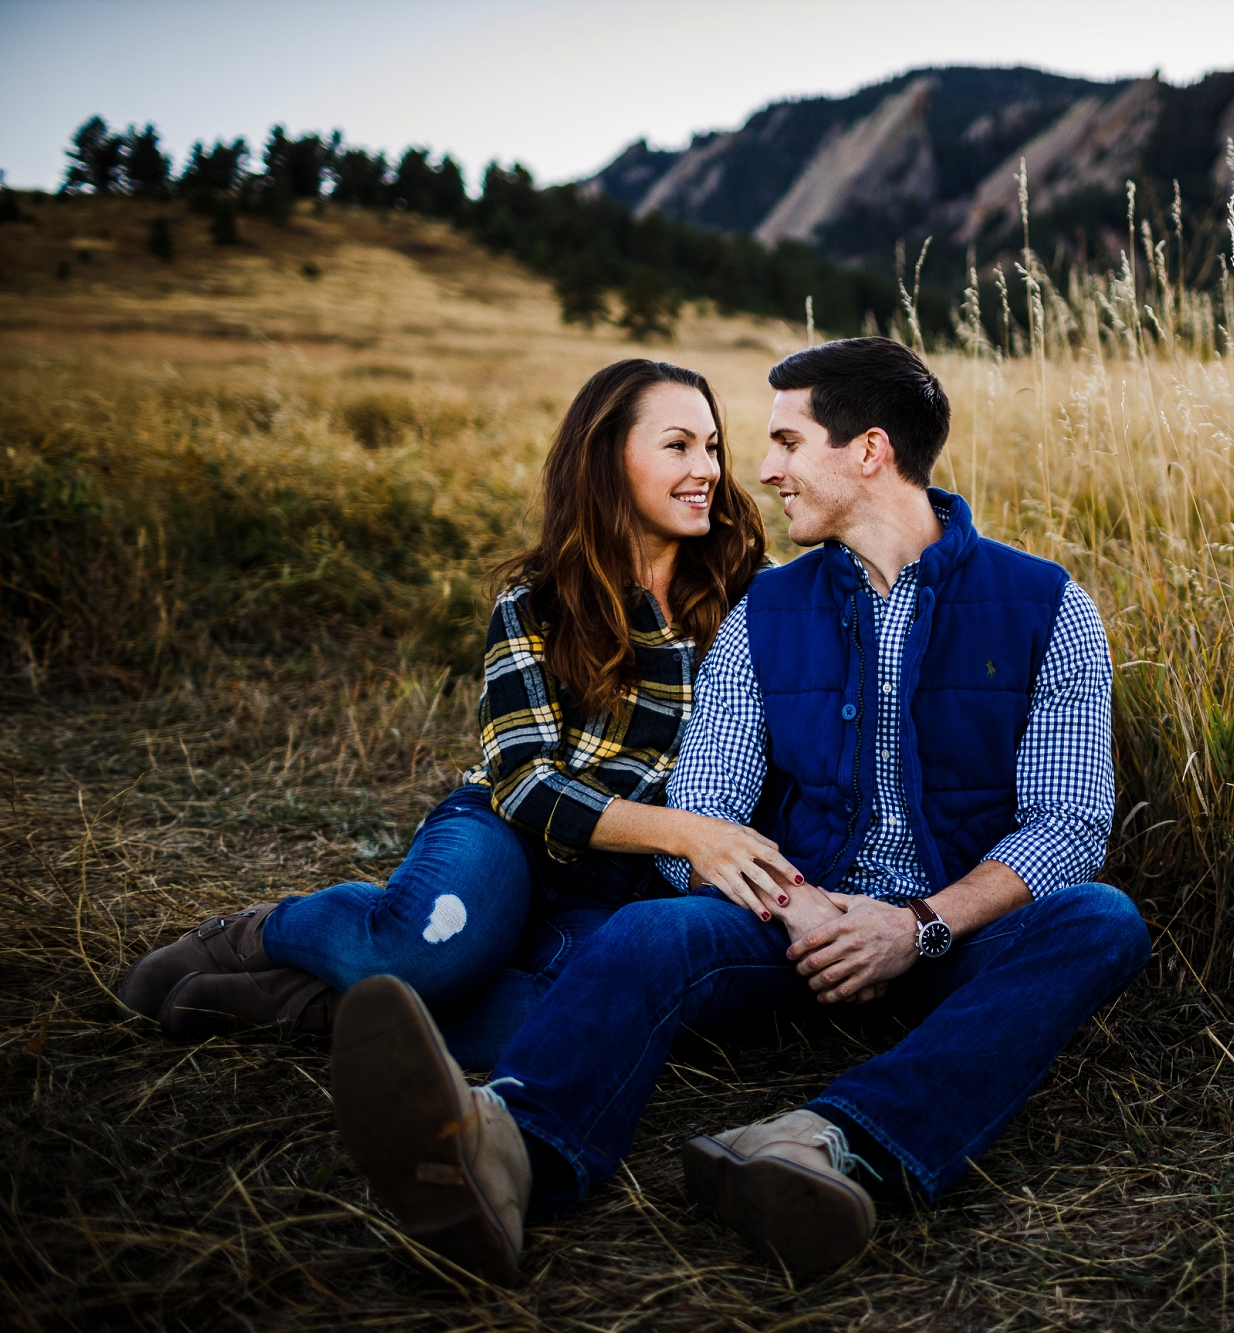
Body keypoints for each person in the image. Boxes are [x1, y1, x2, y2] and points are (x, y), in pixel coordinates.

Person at [326, 337, 1152, 1282]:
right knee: (646, 932)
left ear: (869, 451)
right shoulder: (765, 612)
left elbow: (1071, 822)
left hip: (948, 933)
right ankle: (505, 1148)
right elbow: (704, 811)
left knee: (1102, 919)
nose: (757, 471)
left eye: (787, 443)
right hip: (785, 927)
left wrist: (917, 926)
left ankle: (823, 1145)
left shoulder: (1046, 605)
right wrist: (796, 905)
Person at [116, 359, 802, 1069]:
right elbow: (525, 782)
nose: (709, 469)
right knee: (426, 953)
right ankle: (261, 934)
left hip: (622, 881)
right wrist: (689, 834)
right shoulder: (539, 602)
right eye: (678, 445)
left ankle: (305, 1008)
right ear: (608, 461)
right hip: (507, 836)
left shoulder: (754, 595)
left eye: (714, 446)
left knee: (579, 1012)